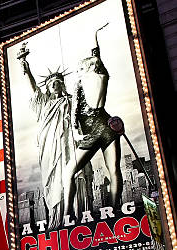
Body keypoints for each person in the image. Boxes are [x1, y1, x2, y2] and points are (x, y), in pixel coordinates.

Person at [63, 23, 123, 217]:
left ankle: (67, 215)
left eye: (81, 66)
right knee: (113, 170)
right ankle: (115, 210)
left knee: (67, 172)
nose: (78, 69)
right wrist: (94, 35)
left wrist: (75, 131)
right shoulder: (102, 75)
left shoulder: (81, 82)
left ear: (88, 66)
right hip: (107, 126)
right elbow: (97, 55)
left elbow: (75, 110)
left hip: (92, 131)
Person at [18, 43, 76, 230]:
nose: (55, 86)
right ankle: (55, 218)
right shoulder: (44, 103)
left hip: (66, 143)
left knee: (69, 176)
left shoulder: (69, 101)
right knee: (52, 179)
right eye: (52, 84)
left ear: (62, 84)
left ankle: (71, 214)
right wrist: (26, 68)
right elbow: (34, 88)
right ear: (48, 88)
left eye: (58, 83)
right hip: (48, 145)